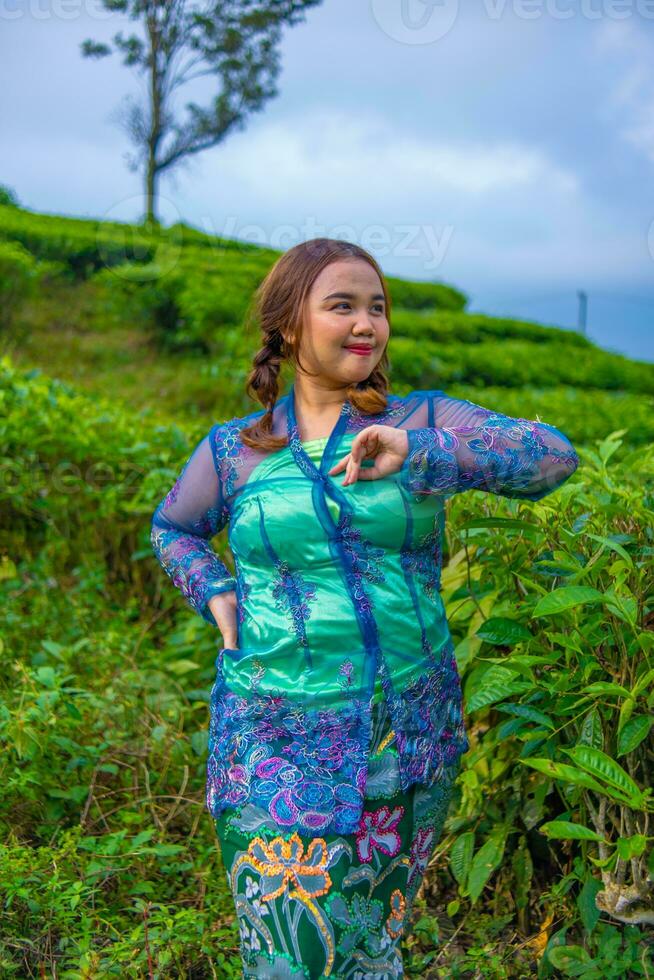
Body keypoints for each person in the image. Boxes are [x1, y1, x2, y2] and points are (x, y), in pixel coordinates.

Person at [150, 238, 579, 979]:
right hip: (270, 736)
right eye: (341, 305)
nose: (366, 323)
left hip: (404, 735)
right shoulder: (236, 452)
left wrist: (417, 449)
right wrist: (215, 591)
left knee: (368, 951)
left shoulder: (421, 417)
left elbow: (552, 458)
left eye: (376, 308)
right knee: (290, 957)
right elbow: (174, 528)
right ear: (289, 326)